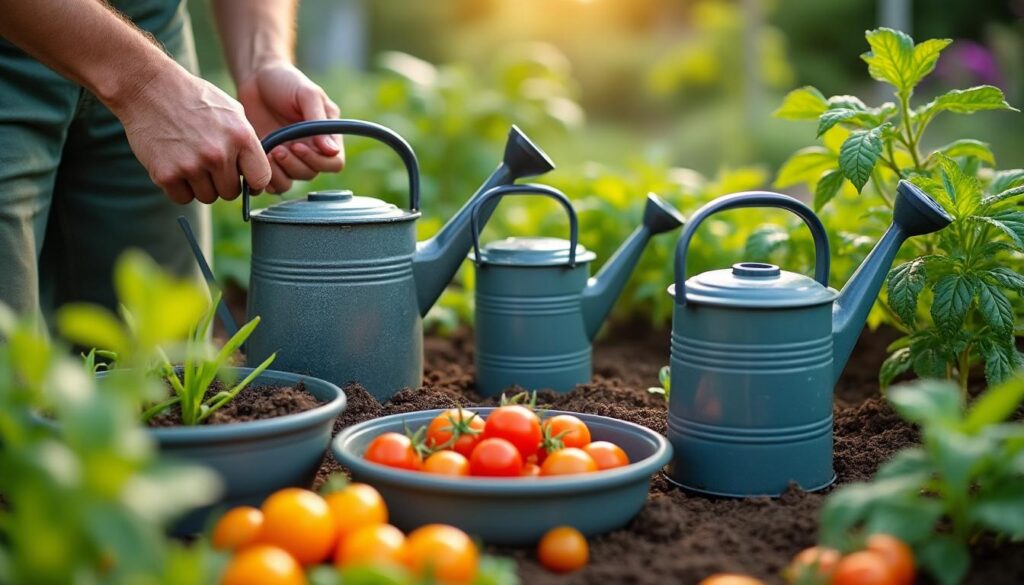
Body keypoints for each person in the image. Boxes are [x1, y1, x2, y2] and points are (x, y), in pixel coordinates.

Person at [0, 0, 343, 319]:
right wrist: (147, 85)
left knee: (164, 342)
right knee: (9, 350)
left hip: (151, 31)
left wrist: (262, 58)